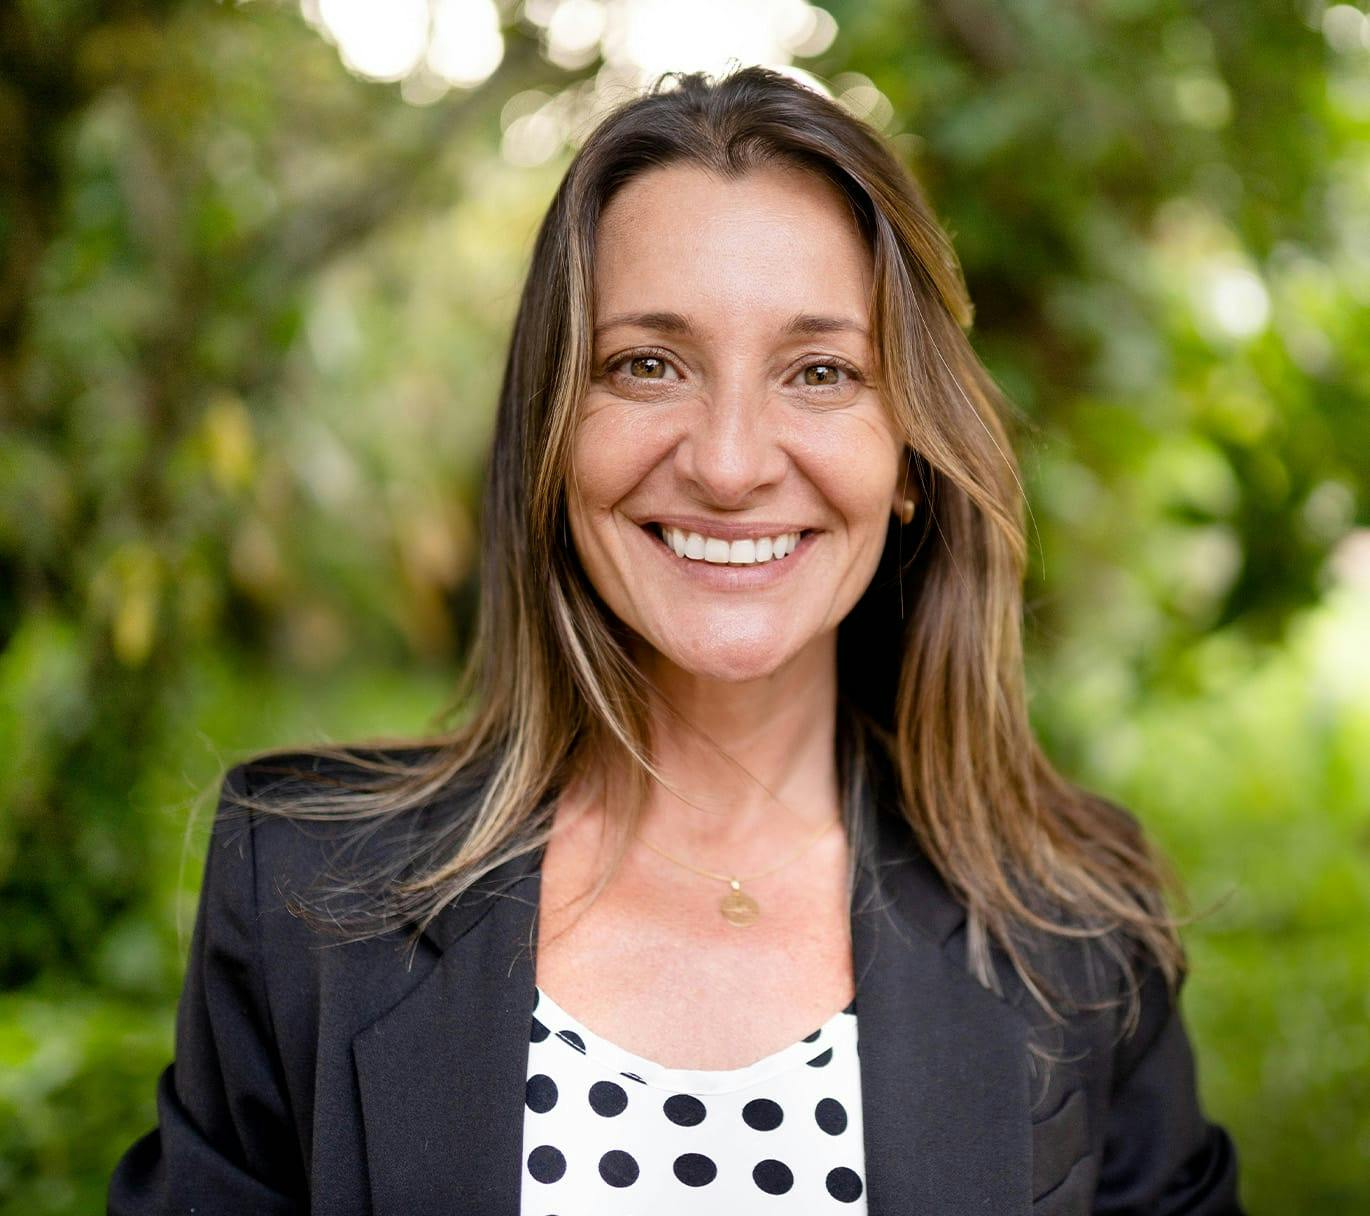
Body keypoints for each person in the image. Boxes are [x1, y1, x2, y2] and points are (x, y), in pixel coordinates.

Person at [108, 65, 1243, 1215]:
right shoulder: (302, 890)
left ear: (909, 455)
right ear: (553, 433)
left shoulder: (1076, 919)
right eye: (646, 364)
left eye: (819, 372)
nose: (729, 461)